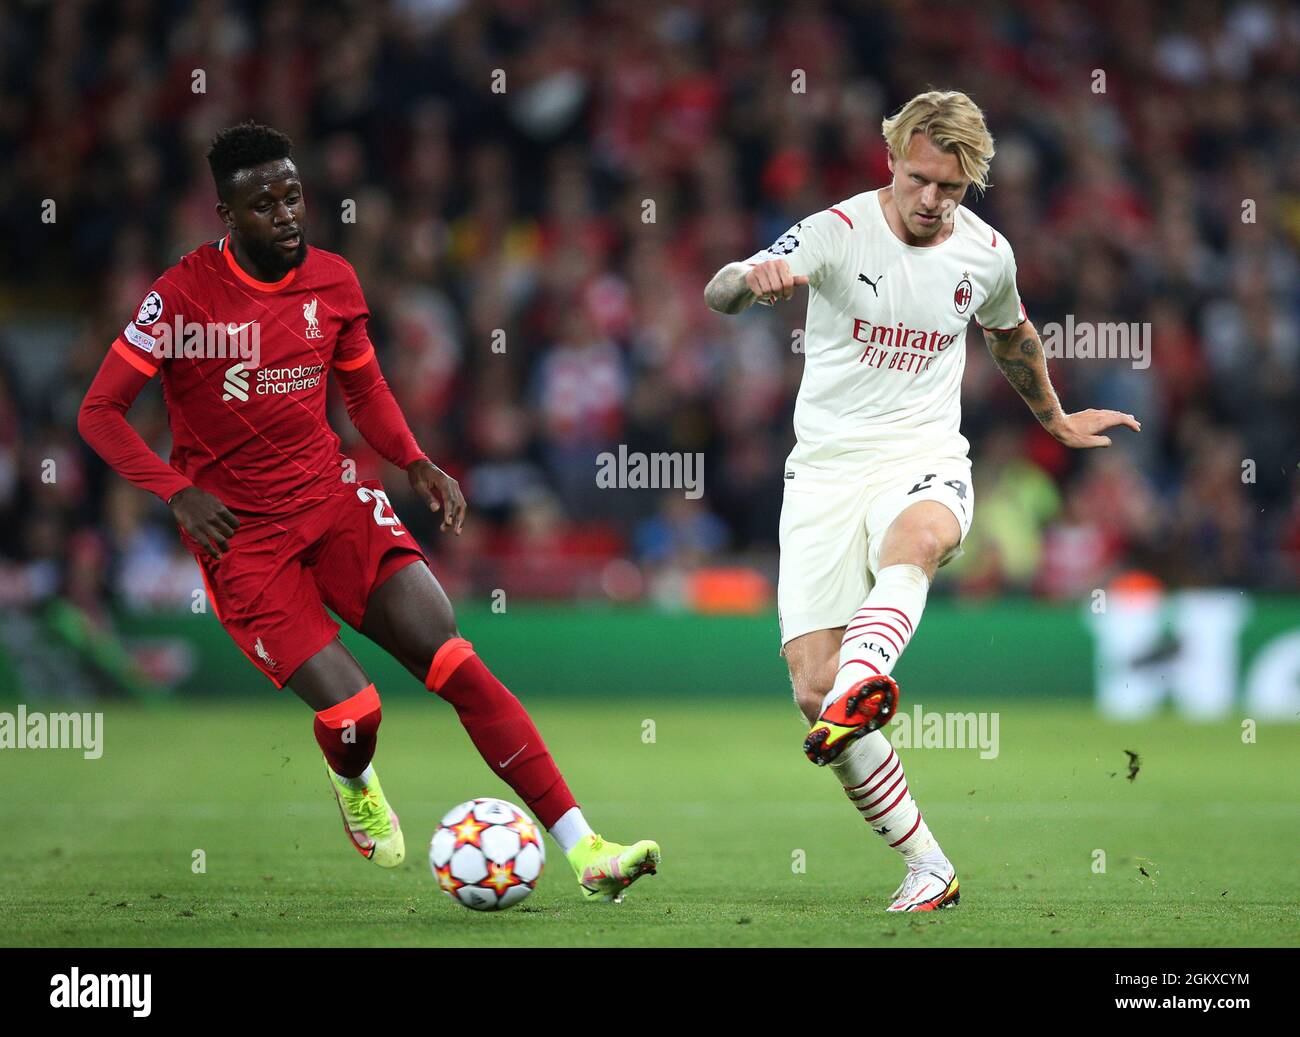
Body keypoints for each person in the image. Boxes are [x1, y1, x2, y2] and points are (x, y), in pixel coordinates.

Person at [77, 121, 659, 903]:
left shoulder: (334, 282)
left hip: (333, 500)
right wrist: (176, 491)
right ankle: (353, 776)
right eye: (264, 204)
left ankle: (586, 847)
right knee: (356, 711)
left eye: (293, 197)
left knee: (453, 658)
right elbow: (100, 412)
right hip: (245, 540)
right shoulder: (178, 298)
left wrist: (413, 459)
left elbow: (364, 388)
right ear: (226, 214)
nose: (286, 215)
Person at [704, 91, 1139, 911]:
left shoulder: (986, 254)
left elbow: (1012, 335)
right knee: (811, 688)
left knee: (923, 538)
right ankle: (928, 865)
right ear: (892, 162)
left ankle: (864, 681)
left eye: (949, 185)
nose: (930, 199)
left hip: (924, 455)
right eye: (917, 178)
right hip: (826, 474)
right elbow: (721, 294)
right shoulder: (836, 232)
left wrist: (1057, 416)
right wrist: (747, 276)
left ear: (971, 181)